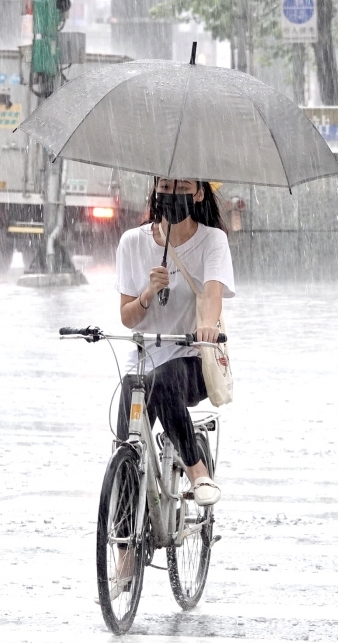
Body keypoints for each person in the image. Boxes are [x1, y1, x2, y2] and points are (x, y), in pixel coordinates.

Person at [115, 177, 235, 508]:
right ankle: (125, 554)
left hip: (192, 359)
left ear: (199, 193)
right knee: (125, 450)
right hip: (143, 360)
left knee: (166, 378)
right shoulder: (131, 243)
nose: (173, 195)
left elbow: (213, 293)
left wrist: (207, 327)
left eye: (183, 188)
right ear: (155, 190)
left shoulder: (213, 241)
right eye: (166, 186)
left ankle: (197, 471)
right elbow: (127, 317)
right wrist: (149, 292)